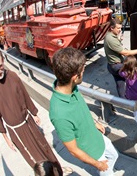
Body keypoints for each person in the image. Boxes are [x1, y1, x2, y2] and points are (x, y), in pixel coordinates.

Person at [0, 48, 60, 169]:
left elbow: (25, 95)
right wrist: (6, 138)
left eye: (0, 66)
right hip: (16, 131)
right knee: (34, 159)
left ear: (3, 61)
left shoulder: (13, 76)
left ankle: (57, 171)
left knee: (44, 147)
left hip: (28, 121)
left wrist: (34, 113)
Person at [50, 47, 119, 176]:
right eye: (83, 69)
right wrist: (98, 164)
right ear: (75, 77)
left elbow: (81, 111)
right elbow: (74, 150)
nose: (84, 71)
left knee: (115, 155)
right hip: (95, 154)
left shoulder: (72, 88)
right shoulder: (59, 114)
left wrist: (93, 123)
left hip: (99, 139)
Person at [104, 18, 137, 99]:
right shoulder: (111, 39)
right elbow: (125, 53)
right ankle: (135, 96)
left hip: (112, 65)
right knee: (134, 78)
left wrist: (119, 40)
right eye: (118, 28)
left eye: (121, 28)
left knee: (120, 84)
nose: (120, 30)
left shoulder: (110, 36)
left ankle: (123, 101)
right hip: (117, 66)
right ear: (112, 28)